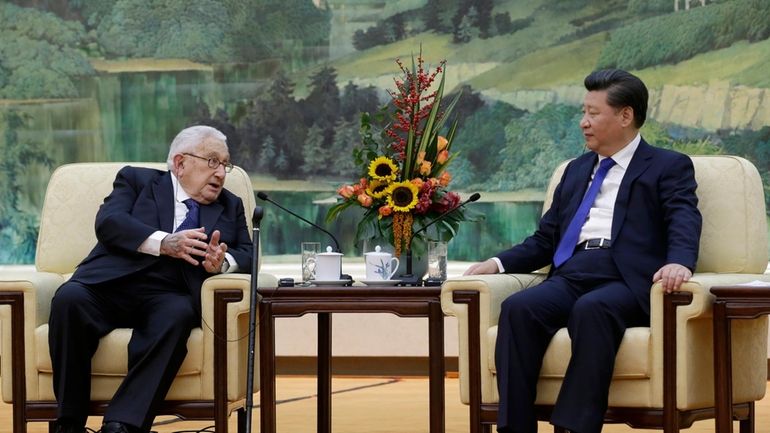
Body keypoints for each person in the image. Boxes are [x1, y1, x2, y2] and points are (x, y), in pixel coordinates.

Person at [464, 69, 702, 433]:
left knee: (592, 309)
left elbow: (684, 218)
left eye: (593, 113)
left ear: (626, 116)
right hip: (575, 270)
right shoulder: (575, 171)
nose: (583, 123)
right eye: (583, 112)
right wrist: (496, 263)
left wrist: (678, 263)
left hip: (626, 277)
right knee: (518, 309)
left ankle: (575, 427)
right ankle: (515, 427)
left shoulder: (668, 166)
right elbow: (545, 239)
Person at [48, 126, 253, 433]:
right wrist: (163, 242)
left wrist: (222, 263)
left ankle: (122, 424)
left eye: (225, 164)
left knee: (177, 314)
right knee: (68, 299)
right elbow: (109, 223)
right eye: (213, 161)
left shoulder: (230, 204)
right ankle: (69, 423)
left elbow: (249, 253)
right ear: (181, 163)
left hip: (170, 294)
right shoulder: (136, 180)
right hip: (109, 285)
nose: (221, 172)